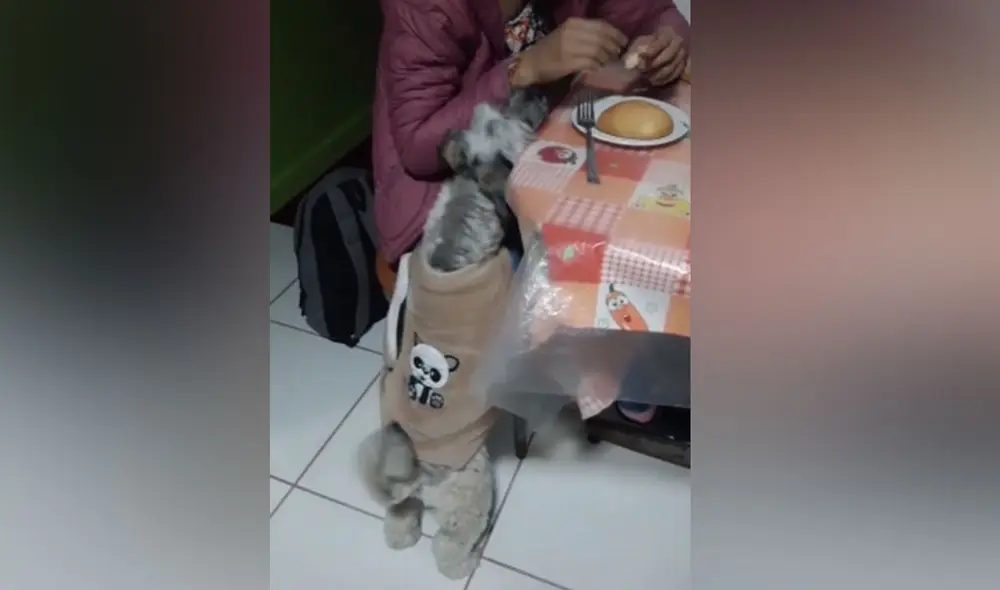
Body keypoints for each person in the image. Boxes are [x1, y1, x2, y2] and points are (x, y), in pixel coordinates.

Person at [372, 0, 691, 288]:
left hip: (543, 148)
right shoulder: (426, 7)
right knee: (542, 289)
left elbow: (654, 14)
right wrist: (525, 69)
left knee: (646, 225)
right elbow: (418, 144)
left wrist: (667, 41)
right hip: (447, 192)